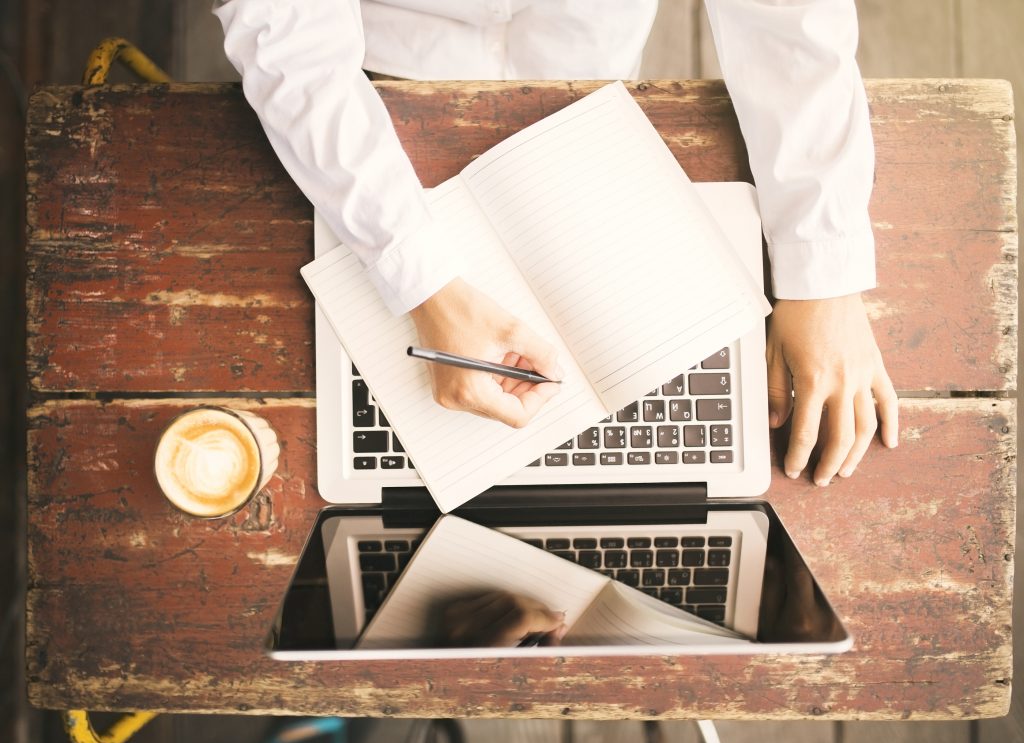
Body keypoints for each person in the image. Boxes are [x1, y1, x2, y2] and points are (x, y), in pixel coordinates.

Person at [214, 0, 898, 486]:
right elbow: (285, 31)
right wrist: (422, 281)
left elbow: (785, 18)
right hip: (366, 110)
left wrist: (823, 273)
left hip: (595, 90)